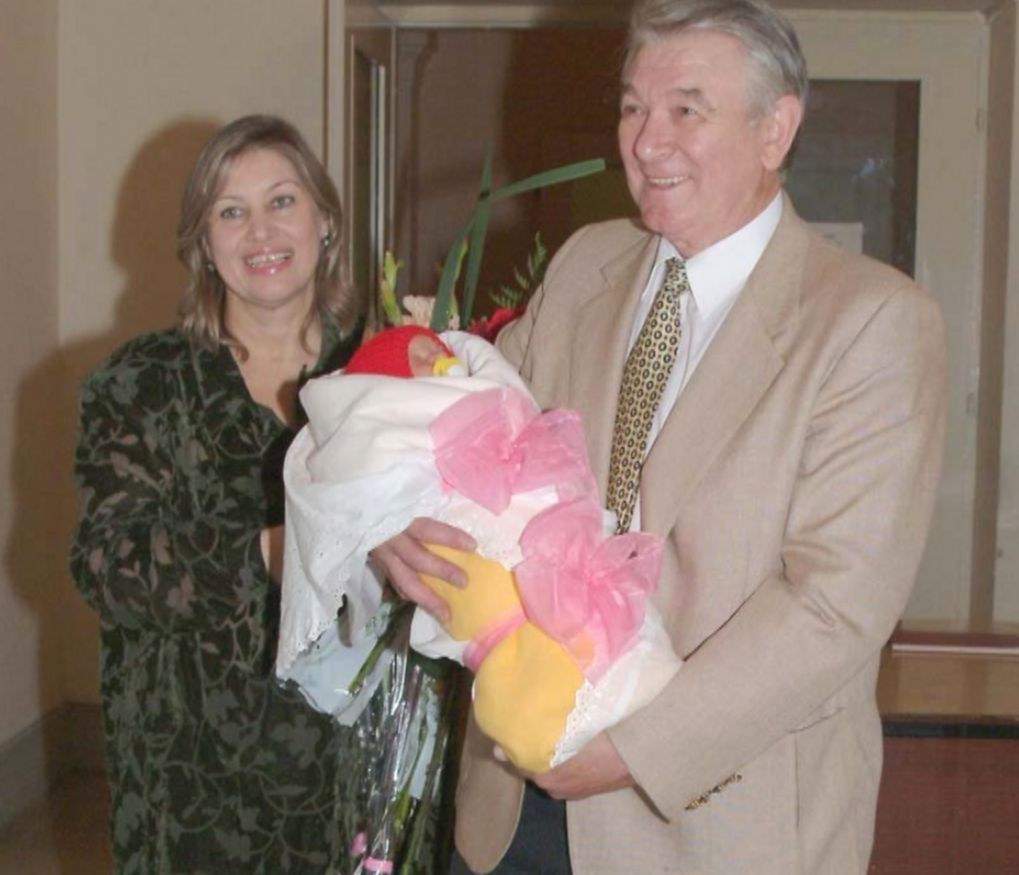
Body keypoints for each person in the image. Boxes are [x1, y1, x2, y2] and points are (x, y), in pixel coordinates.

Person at [371, 1, 948, 872]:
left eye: (686, 108)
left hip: (716, 824)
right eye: (633, 108)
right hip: (510, 809)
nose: (645, 142)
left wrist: (634, 750)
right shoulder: (584, 264)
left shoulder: (869, 322)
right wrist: (398, 524)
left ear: (774, 129)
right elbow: (471, 446)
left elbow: (832, 606)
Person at [70, 114, 374, 873]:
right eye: (231, 211)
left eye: (282, 201)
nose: (260, 232)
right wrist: (272, 552)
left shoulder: (382, 376)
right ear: (204, 243)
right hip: (192, 790)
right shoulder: (141, 384)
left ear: (325, 220)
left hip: (353, 780)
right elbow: (107, 565)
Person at [277, 325, 679, 776]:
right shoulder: (565, 292)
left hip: (683, 769)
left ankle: (627, 670)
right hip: (501, 767)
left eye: (434, 347)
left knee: (589, 624)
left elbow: (503, 393)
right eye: (415, 357)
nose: (434, 357)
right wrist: (373, 513)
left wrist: (651, 752)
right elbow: (350, 453)